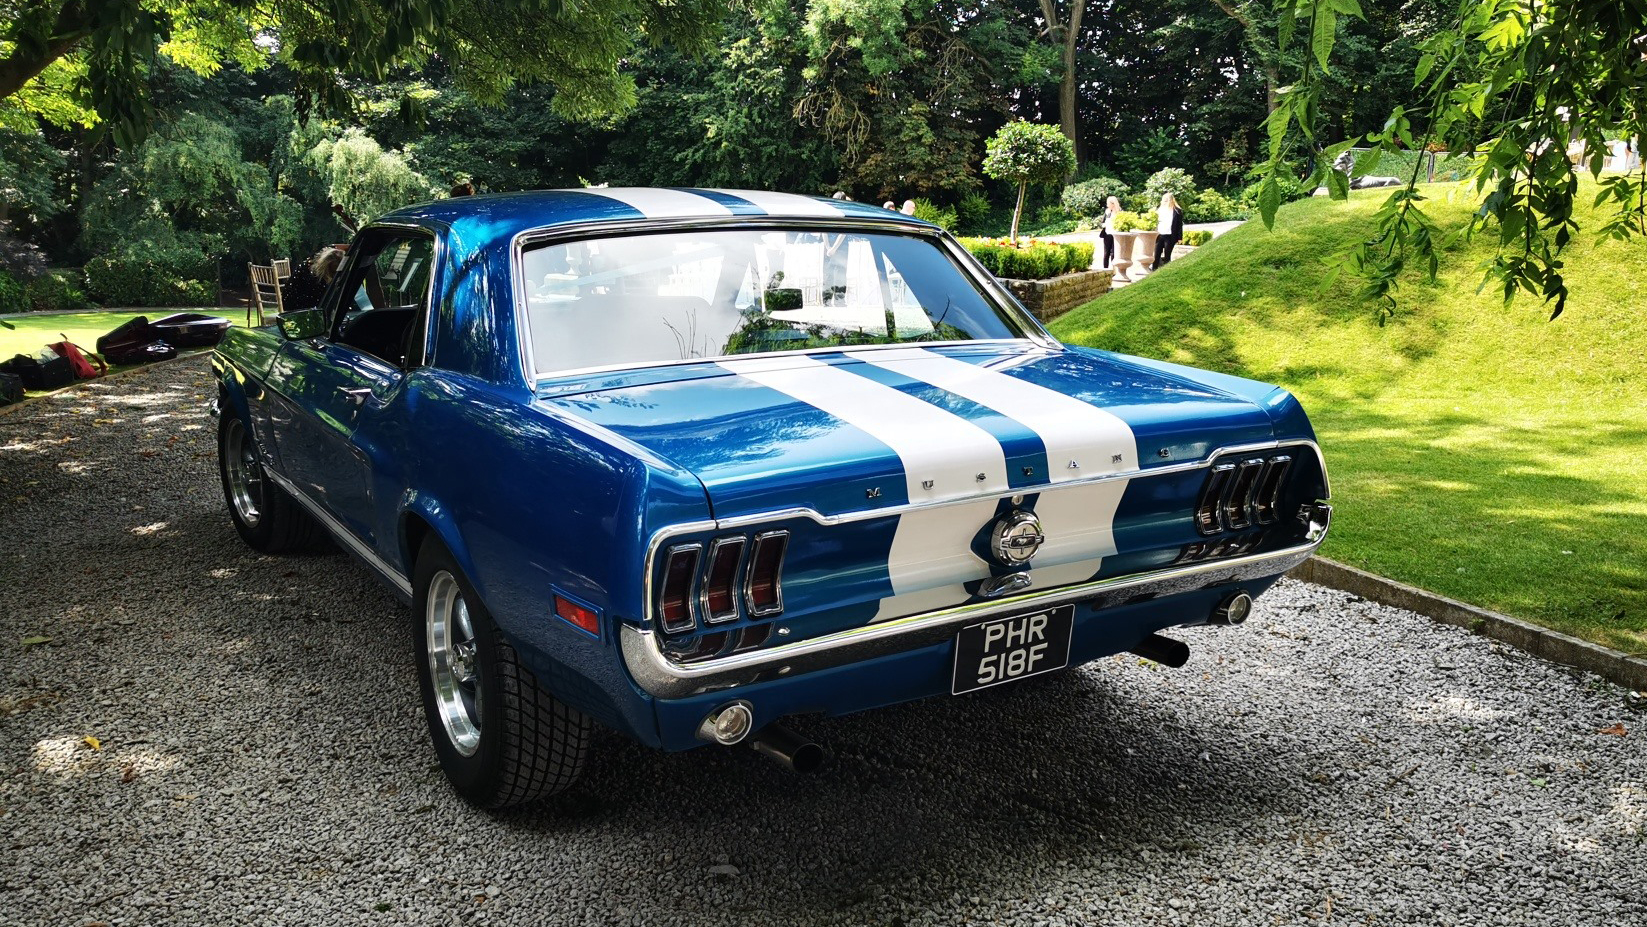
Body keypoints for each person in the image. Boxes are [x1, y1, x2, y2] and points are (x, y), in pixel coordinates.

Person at [1153, 192, 1184, 267]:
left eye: (1166, 200)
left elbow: (1179, 225)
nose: (1164, 202)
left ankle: (1166, 269)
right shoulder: (1159, 210)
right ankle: (1154, 269)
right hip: (1159, 235)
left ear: (1171, 200)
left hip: (1170, 236)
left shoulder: (1177, 211)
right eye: (1163, 200)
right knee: (1156, 254)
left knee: (1167, 254)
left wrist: (1180, 238)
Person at [1100, 196, 1122, 268]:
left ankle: (1114, 270)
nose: (1107, 204)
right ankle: (1105, 269)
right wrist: (1103, 225)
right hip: (1107, 234)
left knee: (1114, 253)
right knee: (1106, 253)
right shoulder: (1107, 212)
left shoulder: (1120, 212)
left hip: (1116, 234)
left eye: (1108, 203)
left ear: (1113, 204)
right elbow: (1101, 222)